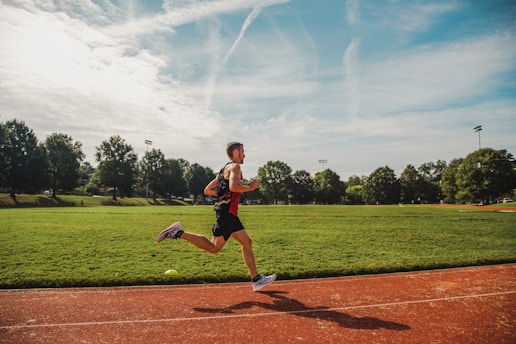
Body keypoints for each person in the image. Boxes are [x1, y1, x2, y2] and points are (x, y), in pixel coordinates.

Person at [157, 142, 276, 291]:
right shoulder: (235, 167)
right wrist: (249, 188)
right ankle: (178, 232)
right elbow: (233, 187)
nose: (245, 155)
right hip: (227, 214)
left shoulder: (223, 170)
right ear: (236, 152)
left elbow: (208, 190)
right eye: (243, 151)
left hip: (229, 213)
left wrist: (226, 194)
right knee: (214, 248)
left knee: (247, 242)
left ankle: (256, 279)